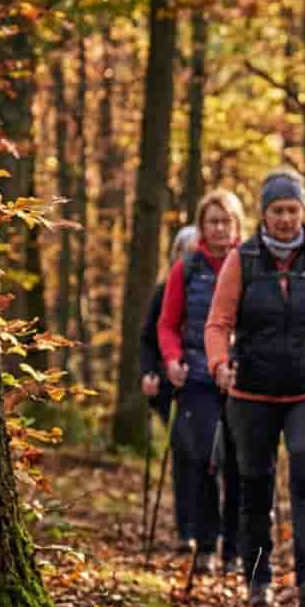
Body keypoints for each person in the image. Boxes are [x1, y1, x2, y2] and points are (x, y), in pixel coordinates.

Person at [206, 168, 305, 607]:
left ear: (303, 211)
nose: (285, 219)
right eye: (277, 210)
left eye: (292, 210)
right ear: (264, 214)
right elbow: (219, 322)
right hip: (252, 394)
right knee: (255, 486)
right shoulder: (241, 260)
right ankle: (257, 577)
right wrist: (219, 363)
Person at [159, 191, 246, 575]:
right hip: (198, 377)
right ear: (202, 226)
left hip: (245, 379)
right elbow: (167, 323)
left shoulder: (252, 262)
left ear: (237, 225)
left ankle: (235, 548)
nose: (220, 228)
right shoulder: (187, 268)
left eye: (226, 221)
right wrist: (172, 359)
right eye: (213, 221)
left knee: (242, 464)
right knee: (208, 458)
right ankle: (207, 544)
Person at [141, 224, 197, 550]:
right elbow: (148, 339)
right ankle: (186, 529)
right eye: (183, 252)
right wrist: (149, 373)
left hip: (206, 380)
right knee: (184, 451)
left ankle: (207, 527)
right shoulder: (163, 292)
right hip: (170, 386)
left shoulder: (218, 285)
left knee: (208, 454)